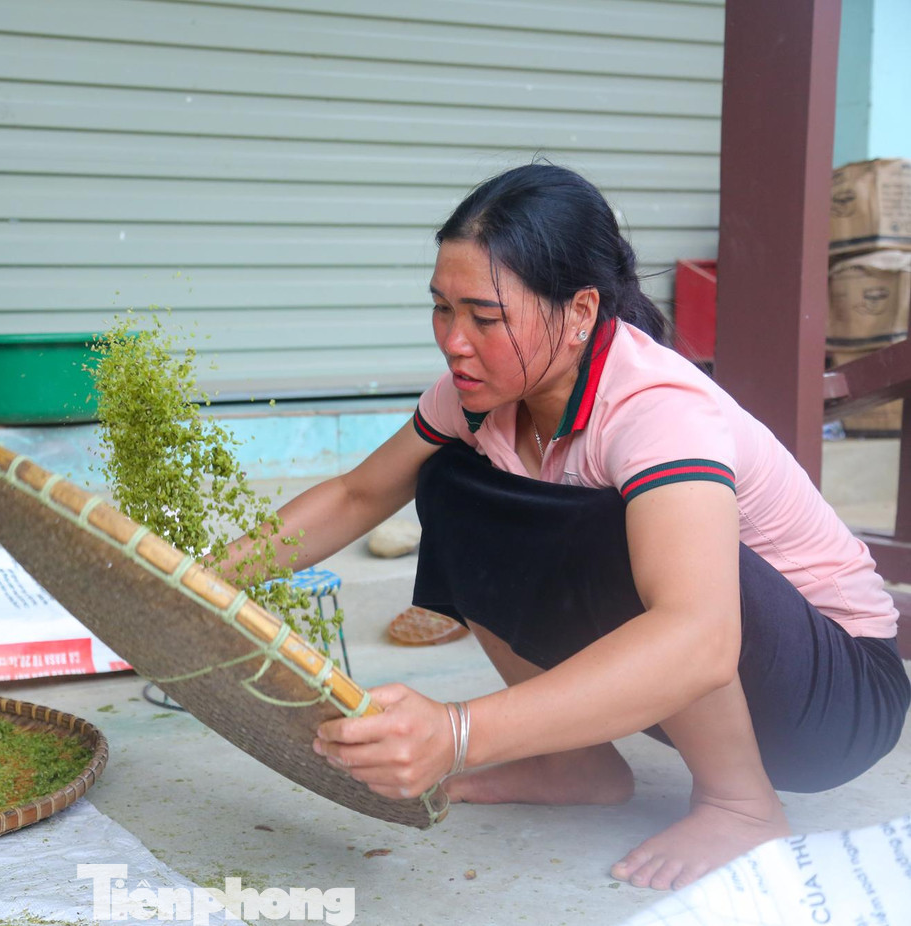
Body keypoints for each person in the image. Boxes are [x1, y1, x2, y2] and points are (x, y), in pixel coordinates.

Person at [242, 164, 910, 891]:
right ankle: (577, 760)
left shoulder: (657, 407)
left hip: (835, 697)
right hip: (709, 681)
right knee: (449, 481)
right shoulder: (481, 393)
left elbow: (701, 635)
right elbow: (356, 492)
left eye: (485, 317)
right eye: (442, 309)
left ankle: (740, 803)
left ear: (581, 311)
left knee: (614, 530)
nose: (454, 342)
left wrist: (459, 733)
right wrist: (199, 578)